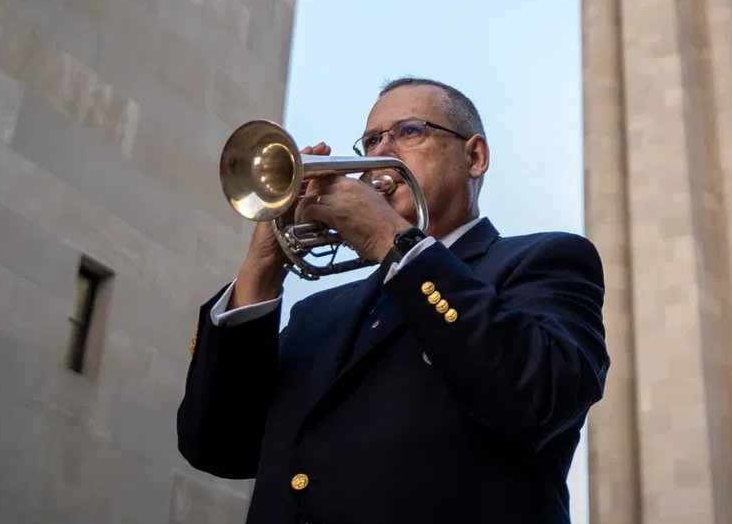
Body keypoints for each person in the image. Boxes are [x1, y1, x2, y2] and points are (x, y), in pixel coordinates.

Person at [178, 77, 608, 524]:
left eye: (408, 132)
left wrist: (391, 239)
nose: (382, 155)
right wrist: (261, 269)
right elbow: (216, 448)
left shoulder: (543, 260)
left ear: (474, 157)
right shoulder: (316, 314)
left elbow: (536, 399)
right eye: (370, 141)